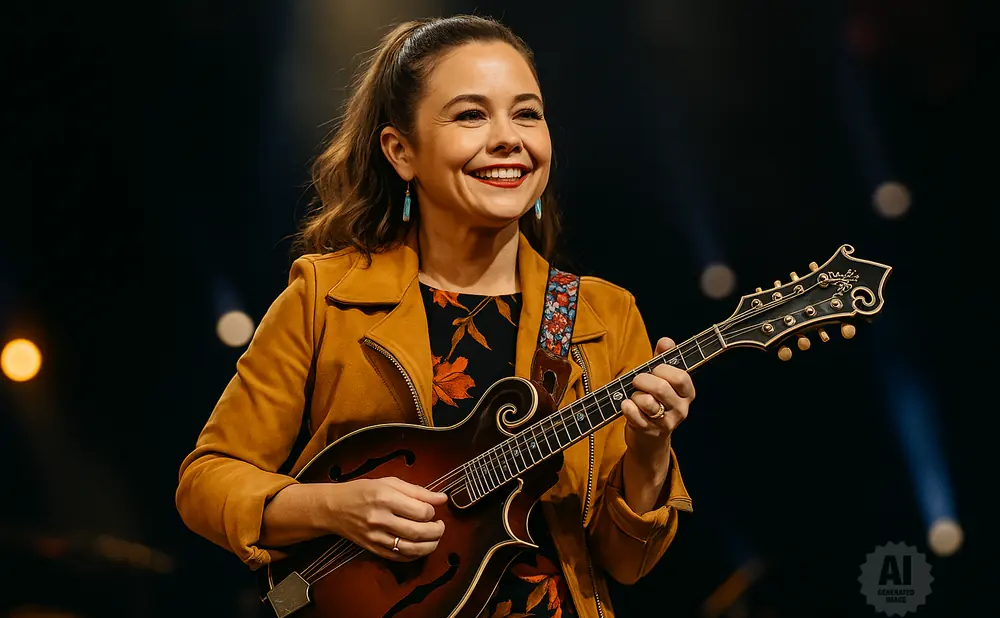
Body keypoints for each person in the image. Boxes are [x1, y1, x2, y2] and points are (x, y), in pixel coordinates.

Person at [175, 15, 694, 618]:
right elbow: (207, 481)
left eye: (527, 113)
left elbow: (626, 562)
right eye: (472, 115)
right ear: (401, 151)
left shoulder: (602, 314)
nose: (509, 138)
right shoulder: (325, 295)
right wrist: (333, 506)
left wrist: (650, 449)